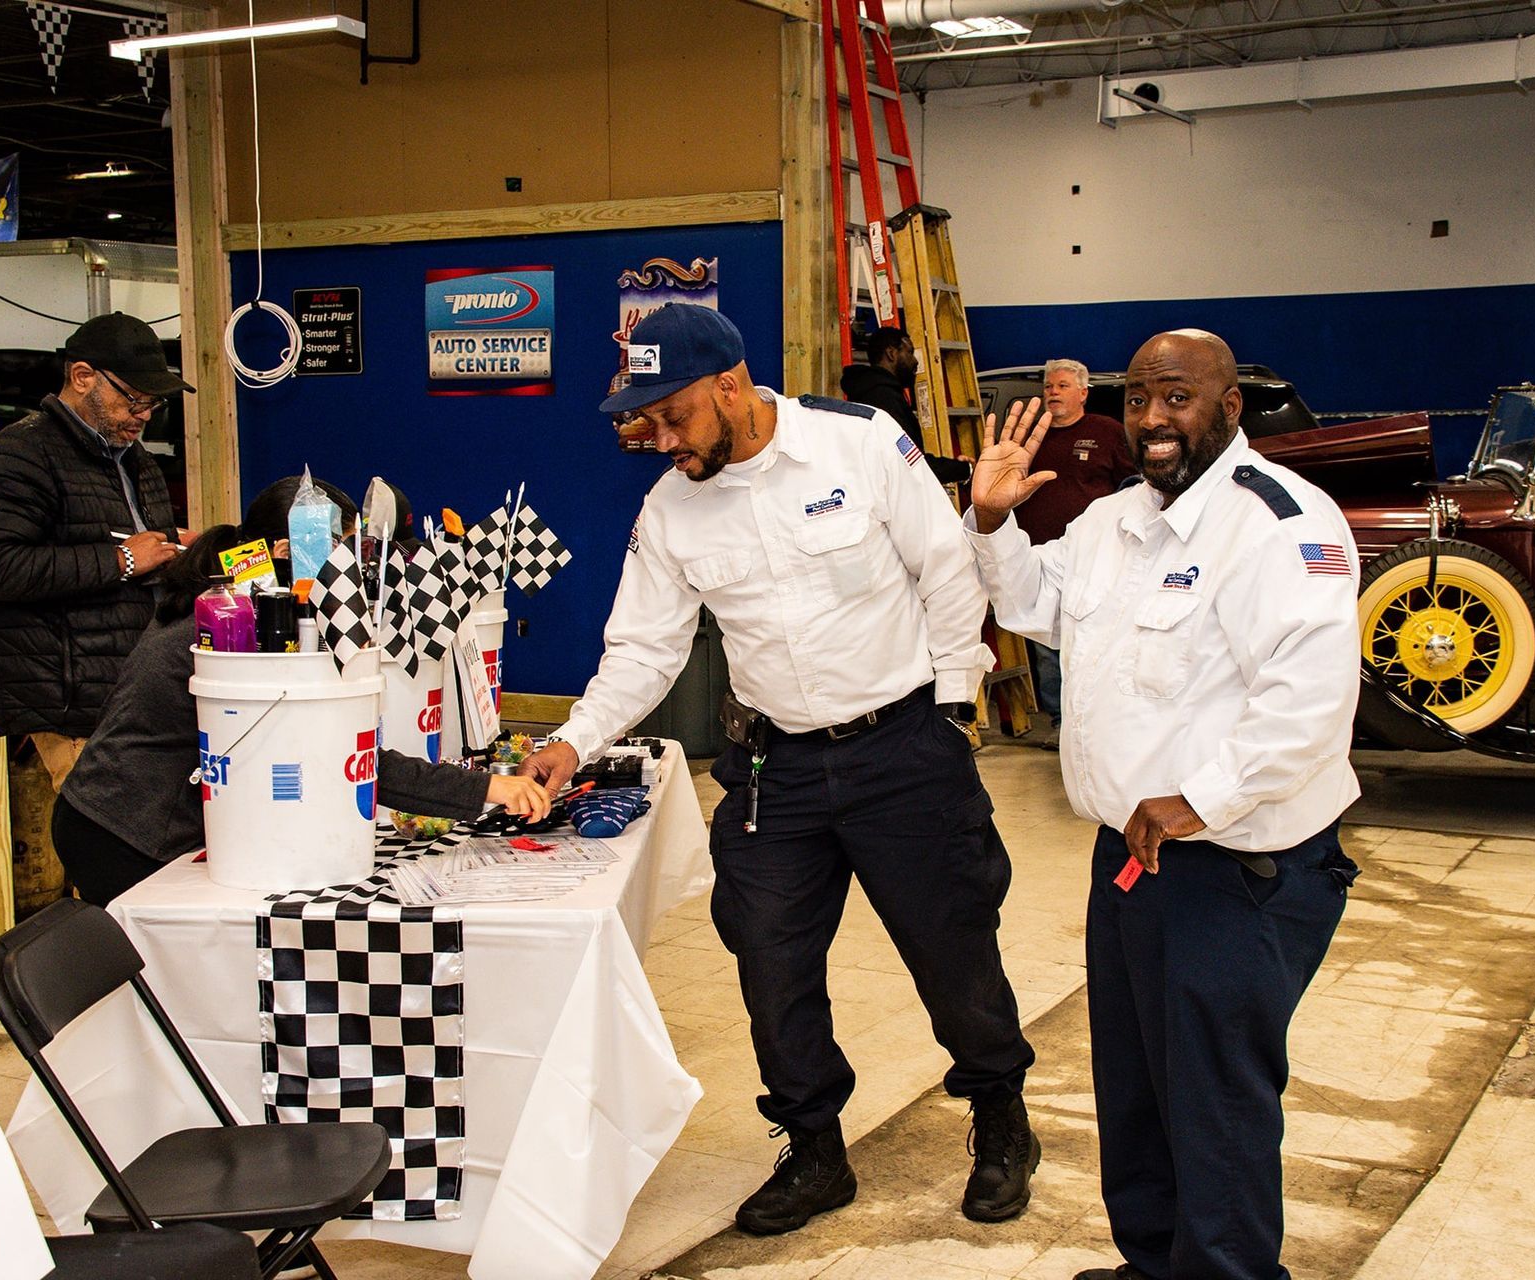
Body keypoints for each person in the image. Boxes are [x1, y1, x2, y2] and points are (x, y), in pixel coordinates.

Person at [517, 304, 1038, 1234]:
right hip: (773, 772)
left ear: (730, 384)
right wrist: (574, 740)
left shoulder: (860, 442)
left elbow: (947, 574)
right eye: (644, 420)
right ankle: (814, 1150)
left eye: (672, 414)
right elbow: (643, 646)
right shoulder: (671, 505)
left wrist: (955, 711)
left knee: (951, 947)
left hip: (901, 749)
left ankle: (1000, 1116)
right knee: (771, 966)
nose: (659, 439)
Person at [964, 330, 1362, 1280]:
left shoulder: (1282, 525)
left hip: (1236, 872)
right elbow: (1032, 606)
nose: (1151, 419)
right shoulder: (1115, 521)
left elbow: (1307, 704)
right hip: (1133, 861)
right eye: (1138, 397)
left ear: (1230, 406)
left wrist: (1198, 799)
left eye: (1176, 398)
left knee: (1216, 1100)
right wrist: (990, 523)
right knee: (1136, 1086)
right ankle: (1154, 1264)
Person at [53, 486, 550, 907]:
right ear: (292, 551)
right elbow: (345, 757)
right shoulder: (242, 631)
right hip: (121, 833)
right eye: (343, 552)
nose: (355, 571)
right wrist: (485, 790)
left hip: (134, 820)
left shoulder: (237, 606)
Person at [0, 312, 196, 792]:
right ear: (83, 376)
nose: (145, 414)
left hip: (133, 696)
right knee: (113, 854)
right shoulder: (24, 451)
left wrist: (185, 551)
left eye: (152, 403)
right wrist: (122, 561)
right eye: (132, 399)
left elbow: (136, 553)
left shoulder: (138, 460)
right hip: (76, 708)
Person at [1018, 359, 1134, 748]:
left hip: (1098, 559)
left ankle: (1100, 722)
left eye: (1063, 385)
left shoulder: (1107, 432)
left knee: (1097, 639)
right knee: (1046, 645)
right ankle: (1061, 723)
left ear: (1083, 392)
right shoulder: (1030, 439)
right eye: (1049, 386)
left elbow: (1135, 487)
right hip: (1039, 559)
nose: (1053, 391)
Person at [840, 326, 972, 487]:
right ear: (892, 354)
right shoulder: (884, 399)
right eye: (909, 352)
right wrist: (966, 469)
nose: (915, 360)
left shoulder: (871, 393)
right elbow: (911, 463)